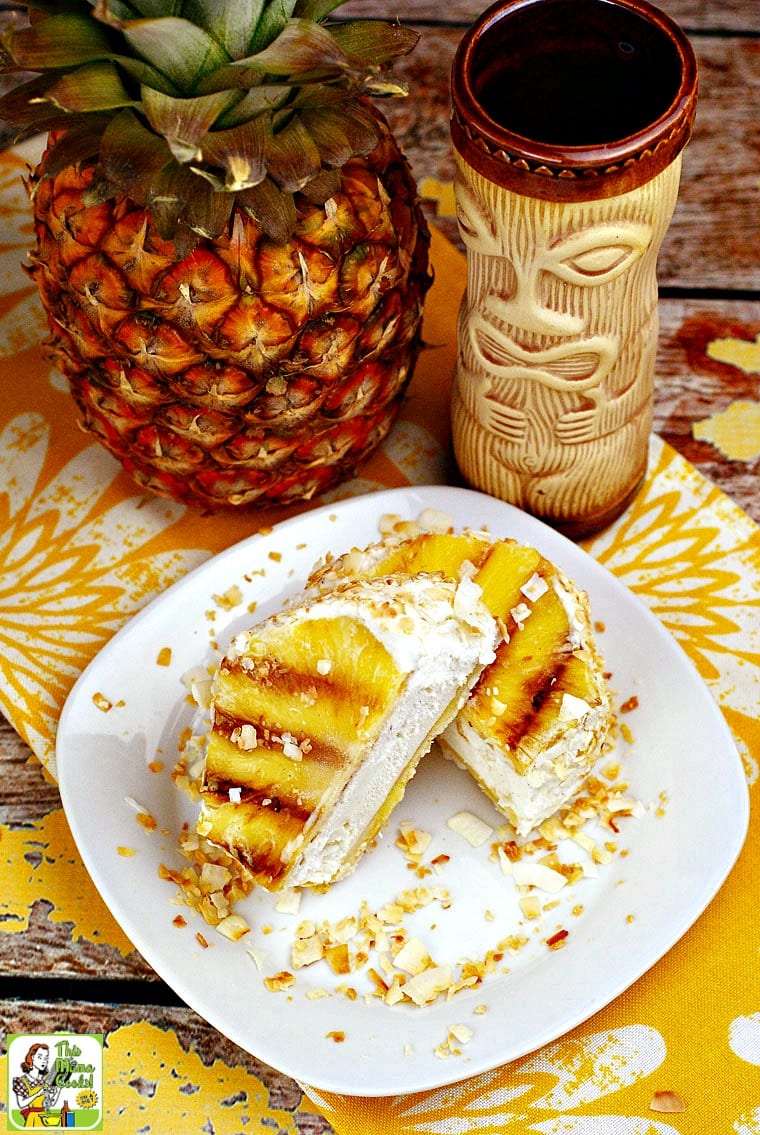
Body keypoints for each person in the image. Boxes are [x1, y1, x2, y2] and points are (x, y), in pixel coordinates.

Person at [12, 1043, 61, 1127]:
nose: (43, 1061)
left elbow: (51, 1104)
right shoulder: (21, 1081)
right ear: (32, 1057)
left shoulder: (45, 1080)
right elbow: (21, 1104)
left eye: (46, 1058)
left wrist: (59, 1089)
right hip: (32, 1119)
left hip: (44, 1118)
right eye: (40, 1057)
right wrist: (37, 1094)